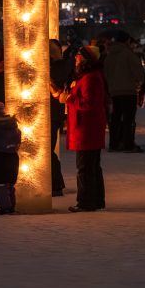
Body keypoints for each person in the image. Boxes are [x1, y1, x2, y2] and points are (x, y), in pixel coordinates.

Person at [64, 45, 107, 212]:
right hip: (88, 128)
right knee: (92, 166)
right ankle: (96, 200)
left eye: (78, 55)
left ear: (86, 59)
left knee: (85, 167)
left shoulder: (90, 78)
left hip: (86, 129)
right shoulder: (88, 77)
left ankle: (86, 202)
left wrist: (68, 98)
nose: (75, 58)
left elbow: (89, 103)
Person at [103, 32, 145, 153]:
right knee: (129, 119)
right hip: (129, 91)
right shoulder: (128, 54)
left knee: (115, 118)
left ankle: (114, 144)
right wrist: (138, 84)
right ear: (126, 41)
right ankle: (128, 144)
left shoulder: (110, 55)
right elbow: (138, 73)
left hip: (114, 92)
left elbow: (106, 74)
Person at [48, 39, 70, 195]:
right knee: (48, 148)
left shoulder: (59, 66)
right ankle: (55, 183)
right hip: (53, 111)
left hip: (53, 111)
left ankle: (56, 184)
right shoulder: (62, 66)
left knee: (47, 149)